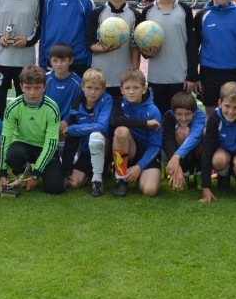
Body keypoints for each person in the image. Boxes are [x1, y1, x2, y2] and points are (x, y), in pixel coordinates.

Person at [139, 0, 198, 118]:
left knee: (181, 120)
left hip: (180, 78)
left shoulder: (185, 10)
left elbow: (192, 45)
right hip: (156, 78)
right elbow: (142, 46)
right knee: (158, 120)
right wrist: (145, 53)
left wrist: (192, 76)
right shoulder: (147, 12)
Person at [0, 64, 65, 195]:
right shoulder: (13, 107)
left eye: (37, 87)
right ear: (21, 86)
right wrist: (2, 173)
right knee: (13, 155)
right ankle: (24, 169)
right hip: (22, 144)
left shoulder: (52, 108)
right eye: (28, 88)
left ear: (44, 87)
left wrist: (36, 175)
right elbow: (5, 139)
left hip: (44, 147)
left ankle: (43, 170)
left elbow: (51, 144)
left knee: (55, 187)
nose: (32, 92)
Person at [194, 0, 236, 116]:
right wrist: (196, 76)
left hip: (234, 73)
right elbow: (194, 48)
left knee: (233, 113)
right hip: (209, 72)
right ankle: (210, 132)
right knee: (211, 113)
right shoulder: (202, 15)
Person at [198, 82, 236, 204]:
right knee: (218, 159)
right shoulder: (214, 118)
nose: (231, 111)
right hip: (223, 151)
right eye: (227, 106)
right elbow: (207, 152)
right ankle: (223, 177)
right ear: (220, 103)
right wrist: (206, 188)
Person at [86, 0, 140, 98]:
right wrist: (104, 49)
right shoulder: (97, 13)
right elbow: (90, 44)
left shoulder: (135, 15)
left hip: (123, 79)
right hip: (99, 79)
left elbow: (135, 46)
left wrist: (135, 72)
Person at [109, 68, 162, 198]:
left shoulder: (153, 111)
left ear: (144, 89)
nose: (131, 92)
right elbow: (115, 121)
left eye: (136, 88)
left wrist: (139, 167)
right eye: (127, 88)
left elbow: (155, 146)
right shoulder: (119, 102)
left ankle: (138, 173)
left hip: (147, 152)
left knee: (149, 190)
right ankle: (121, 179)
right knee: (121, 131)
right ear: (122, 90)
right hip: (129, 149)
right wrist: (146, 123)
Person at [39, 0, 94, 75]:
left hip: (78, 62)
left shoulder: (86, 3)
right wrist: (42, 63)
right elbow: (43, 34)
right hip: (53, 61)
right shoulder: (48, 1)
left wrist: (89, 65)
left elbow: (90, 36)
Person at [63, 68, 113, 196]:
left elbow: (102, 126)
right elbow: (71, 140)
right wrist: (66, 170)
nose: (92, 92)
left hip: (106, 148)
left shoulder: (107, 100)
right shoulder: (76, 105)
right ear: (82, 86)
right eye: (89, 87)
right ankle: (90, 172)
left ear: (104, 89)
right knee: (74, 183)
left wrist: (74, 129)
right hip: (86, 151)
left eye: (97, 88)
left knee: (96, 135)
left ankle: (97, 181)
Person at [46, 43, 84, 165]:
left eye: (62, 61)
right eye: (55, 61)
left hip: (70, 120)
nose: (59, 64)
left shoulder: (78, 83)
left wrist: (66, 120)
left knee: (66, 129)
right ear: (50, 61)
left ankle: (67, 157)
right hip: (48, 120)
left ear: (70, 61)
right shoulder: (44, 80)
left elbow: (78, 105)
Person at [161, 91, 207, 190]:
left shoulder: (200, 115)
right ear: (173, 112)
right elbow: (168, 141)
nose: (183, 118)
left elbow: (195, 136)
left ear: (194, 112)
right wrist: (176, 164)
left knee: (204, 132)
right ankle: (184, 171)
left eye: (188, 114)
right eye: (179, 114)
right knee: (182, 131)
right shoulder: (168, 116)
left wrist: (177, 156)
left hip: (195, 153)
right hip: (181, 156)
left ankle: (199, 171)